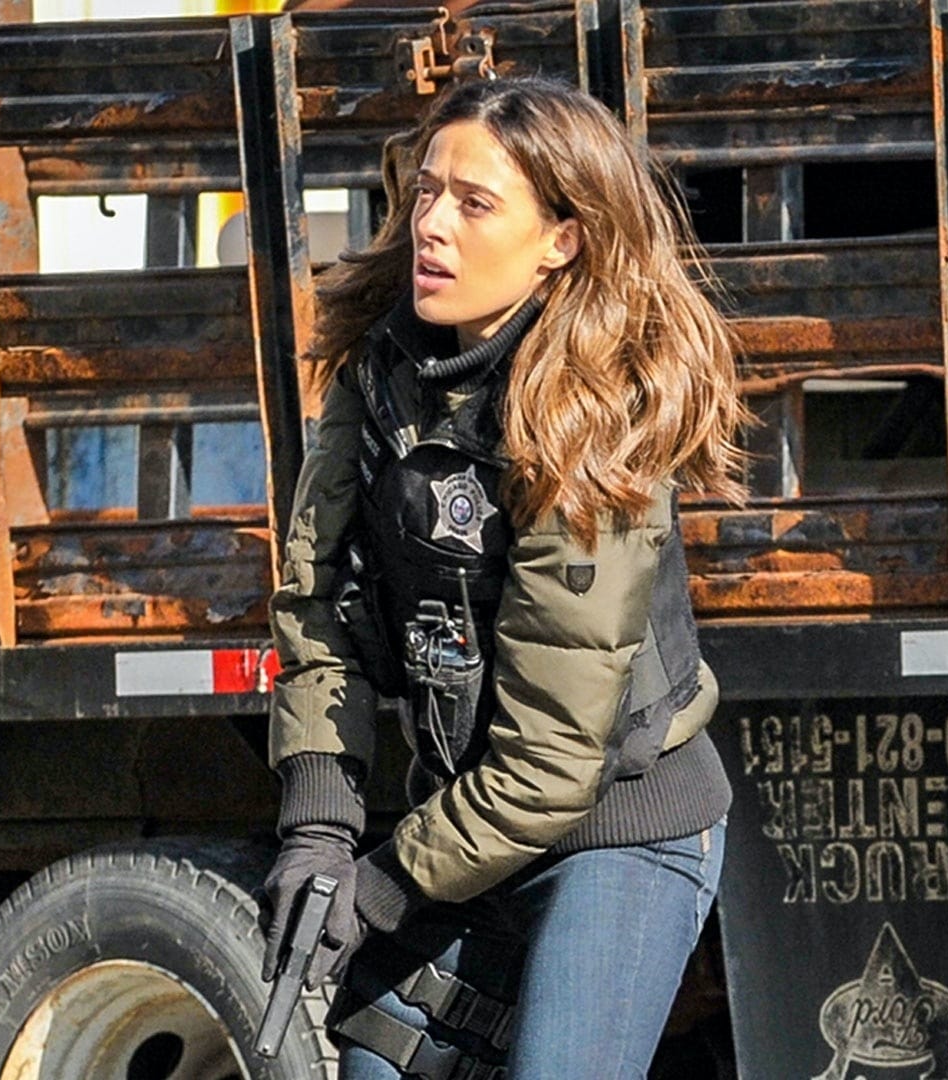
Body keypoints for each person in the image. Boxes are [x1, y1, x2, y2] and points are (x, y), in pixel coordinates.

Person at [258, 74, 748, 1079]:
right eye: (427, 191)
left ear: (561, 239)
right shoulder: (377, 371)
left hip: (617, 832)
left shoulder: (598, 415)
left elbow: (555, 761)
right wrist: (318, 825)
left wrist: (380, 886)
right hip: (463, 827)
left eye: (475, 204)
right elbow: (315, 609)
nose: (432, 224)